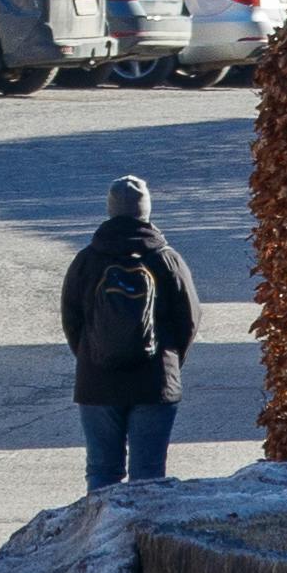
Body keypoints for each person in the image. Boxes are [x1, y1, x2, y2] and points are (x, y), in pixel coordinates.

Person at [62, 173, 200, 490]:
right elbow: (188, 320)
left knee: (102, 471)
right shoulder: (167, 259)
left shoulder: (86, 260)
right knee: (148, 474)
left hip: (97, 381)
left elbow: (72, 321)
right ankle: (144, 538)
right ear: (146, 211)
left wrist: (91, 354)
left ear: (110, 211)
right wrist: (170, 364)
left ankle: (102, 538)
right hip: (155, 381)